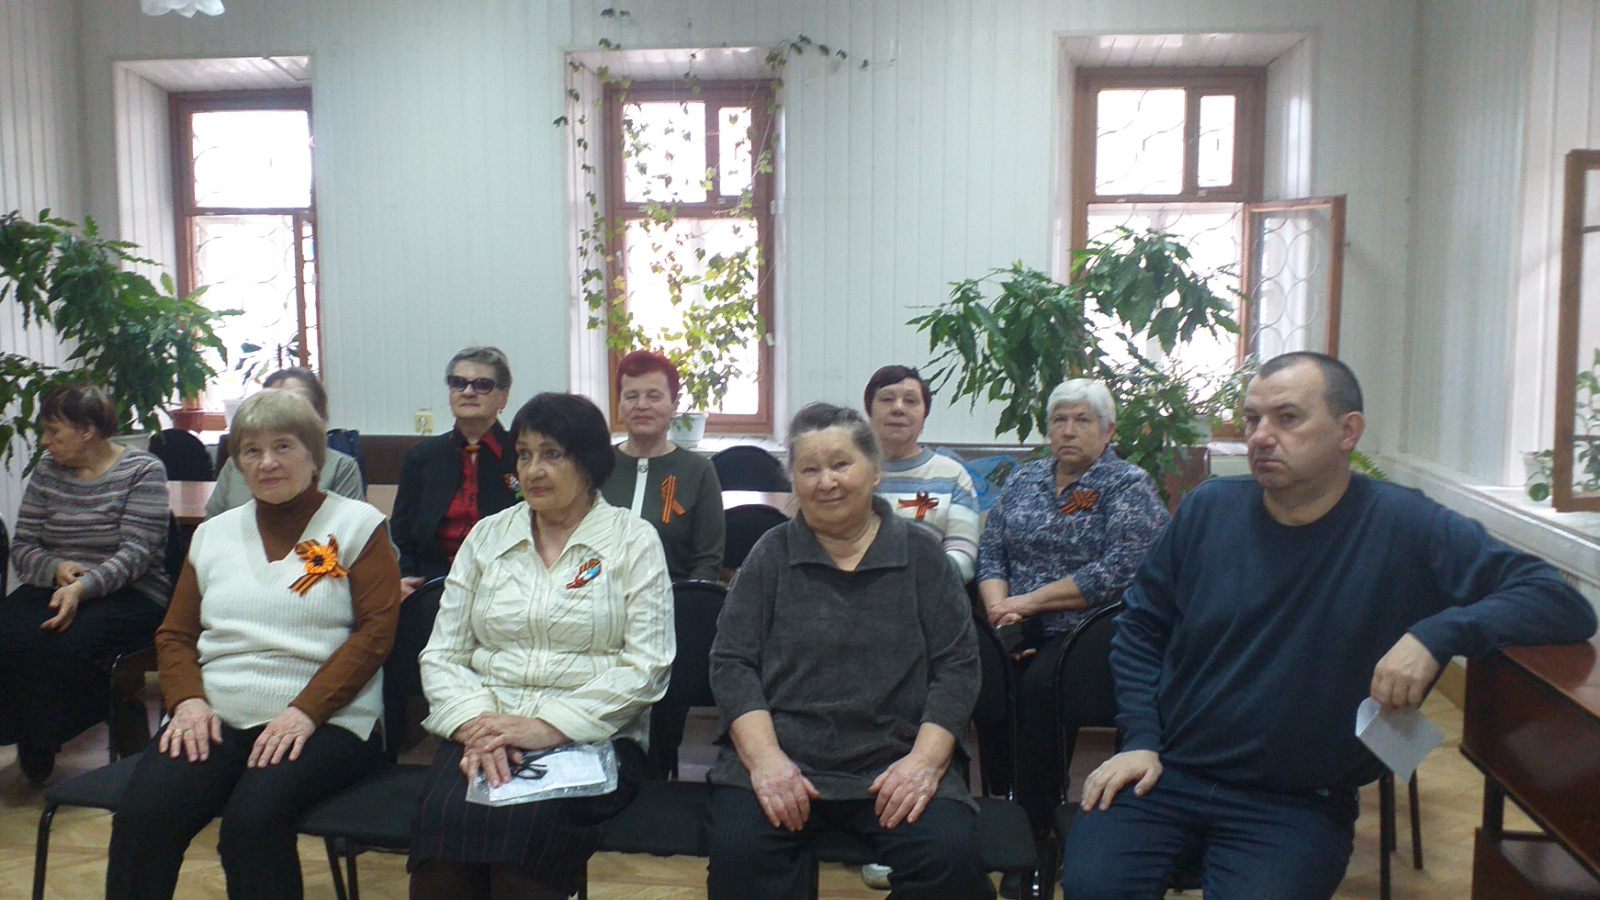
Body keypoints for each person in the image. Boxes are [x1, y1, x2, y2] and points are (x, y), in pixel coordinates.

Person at [1059, 352, 1600, 900]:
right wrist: (1140, 739)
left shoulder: (1405, 524)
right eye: (1251, 419)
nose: (1261, 436)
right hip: (1167, 770)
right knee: (1091, 885)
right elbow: (1140, 629)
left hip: (1296, 801)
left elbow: (1558, 600)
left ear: (1348, 431)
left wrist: (1438, 634)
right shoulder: (1208, 510)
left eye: (1287, 418)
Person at [106, 389, 400, 899]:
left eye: (283, 446)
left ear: (314, 456)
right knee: (143, 816)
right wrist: (187, 700)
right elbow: (175, 634)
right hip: (216, 714)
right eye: (251, 450)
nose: (267, 463)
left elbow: (375, 634)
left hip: (328, 720)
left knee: (251, 825)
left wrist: (305, 712)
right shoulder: (213, 534)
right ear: (237, 463)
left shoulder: (357, 526)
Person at [706, 402, 992, 900]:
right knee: (739, 853)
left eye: (841, 464)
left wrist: (925, 763)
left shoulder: (922, 555)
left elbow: (958, 666)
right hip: (784, 756)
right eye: (809, 469)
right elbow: (732, 662)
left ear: (875, 471)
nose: (826, 482)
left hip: (896, 758)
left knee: (949, 856)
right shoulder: (770, 554)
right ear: (793, 481)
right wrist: (766, 760)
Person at [409, 392, 674, 900]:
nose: (533, 470)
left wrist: (546, 727)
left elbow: (647, 666)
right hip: (484, 729)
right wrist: (478, 726)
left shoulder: (632, 540)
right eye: (524, 454)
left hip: (590, 735)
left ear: (590, 464)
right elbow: (442, 654)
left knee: (524, 835)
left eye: (552, 454)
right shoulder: (487, 537)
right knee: (445, 829)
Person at [976, 378, 1169, 846]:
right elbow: (991, 552)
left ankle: (1036, 824)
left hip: (1092, 629)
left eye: (1082, 420)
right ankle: (1001, 799)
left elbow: (1122, 570)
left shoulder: (1128, 485)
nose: (1068, 430)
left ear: (1108, 431)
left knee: (1038, 686)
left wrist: (1027, 603)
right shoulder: (1025, 479)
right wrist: (1001, 613)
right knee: (982, 669)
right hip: (1018, 621)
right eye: (1059, 420)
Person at [0, 383, 171, 783]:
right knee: (8, 634)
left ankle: (88, 723)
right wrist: (55, 567)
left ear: (87, 430)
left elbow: (137, 554)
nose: (45, 442)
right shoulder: (47, 471)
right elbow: (23, 546)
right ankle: (32, 731)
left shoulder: (143, 470)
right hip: (57, 586)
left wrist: (83, 587)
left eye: (53, 432)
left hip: (132, 593)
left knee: (61, 644)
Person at [385, 347, 520, 754]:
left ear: (503, 396)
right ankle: (404, 745)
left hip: (506, 585)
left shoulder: (522, 455)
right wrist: (404, 578)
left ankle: (498, 731)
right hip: (434, 585)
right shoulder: (423, 457)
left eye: (482, 384)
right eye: (458, 382)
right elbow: (402, 533)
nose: (468, 391)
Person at [600, 349, 725, 582]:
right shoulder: (599, 465)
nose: (641, 405)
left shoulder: (698, 471)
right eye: (631, 396)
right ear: (620, 405)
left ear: (674, 406)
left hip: (675, 598)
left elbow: (707, 562)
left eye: (654, 396)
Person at [865, 364, 980, 583]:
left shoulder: (952, 475)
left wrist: (909, 584)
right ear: (869, 412)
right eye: (887, 399)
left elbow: (963, 561)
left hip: (927, 593)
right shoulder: (851, 473)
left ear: (924, 418)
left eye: (910, 401)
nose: (898, 408)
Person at [206, 367, 365, 517]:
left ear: (319, 416)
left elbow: (350, 528)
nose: (267, 464)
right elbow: (213, 524)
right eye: (272, 408)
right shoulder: (235, 465)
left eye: (297, 408)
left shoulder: (340, 467)